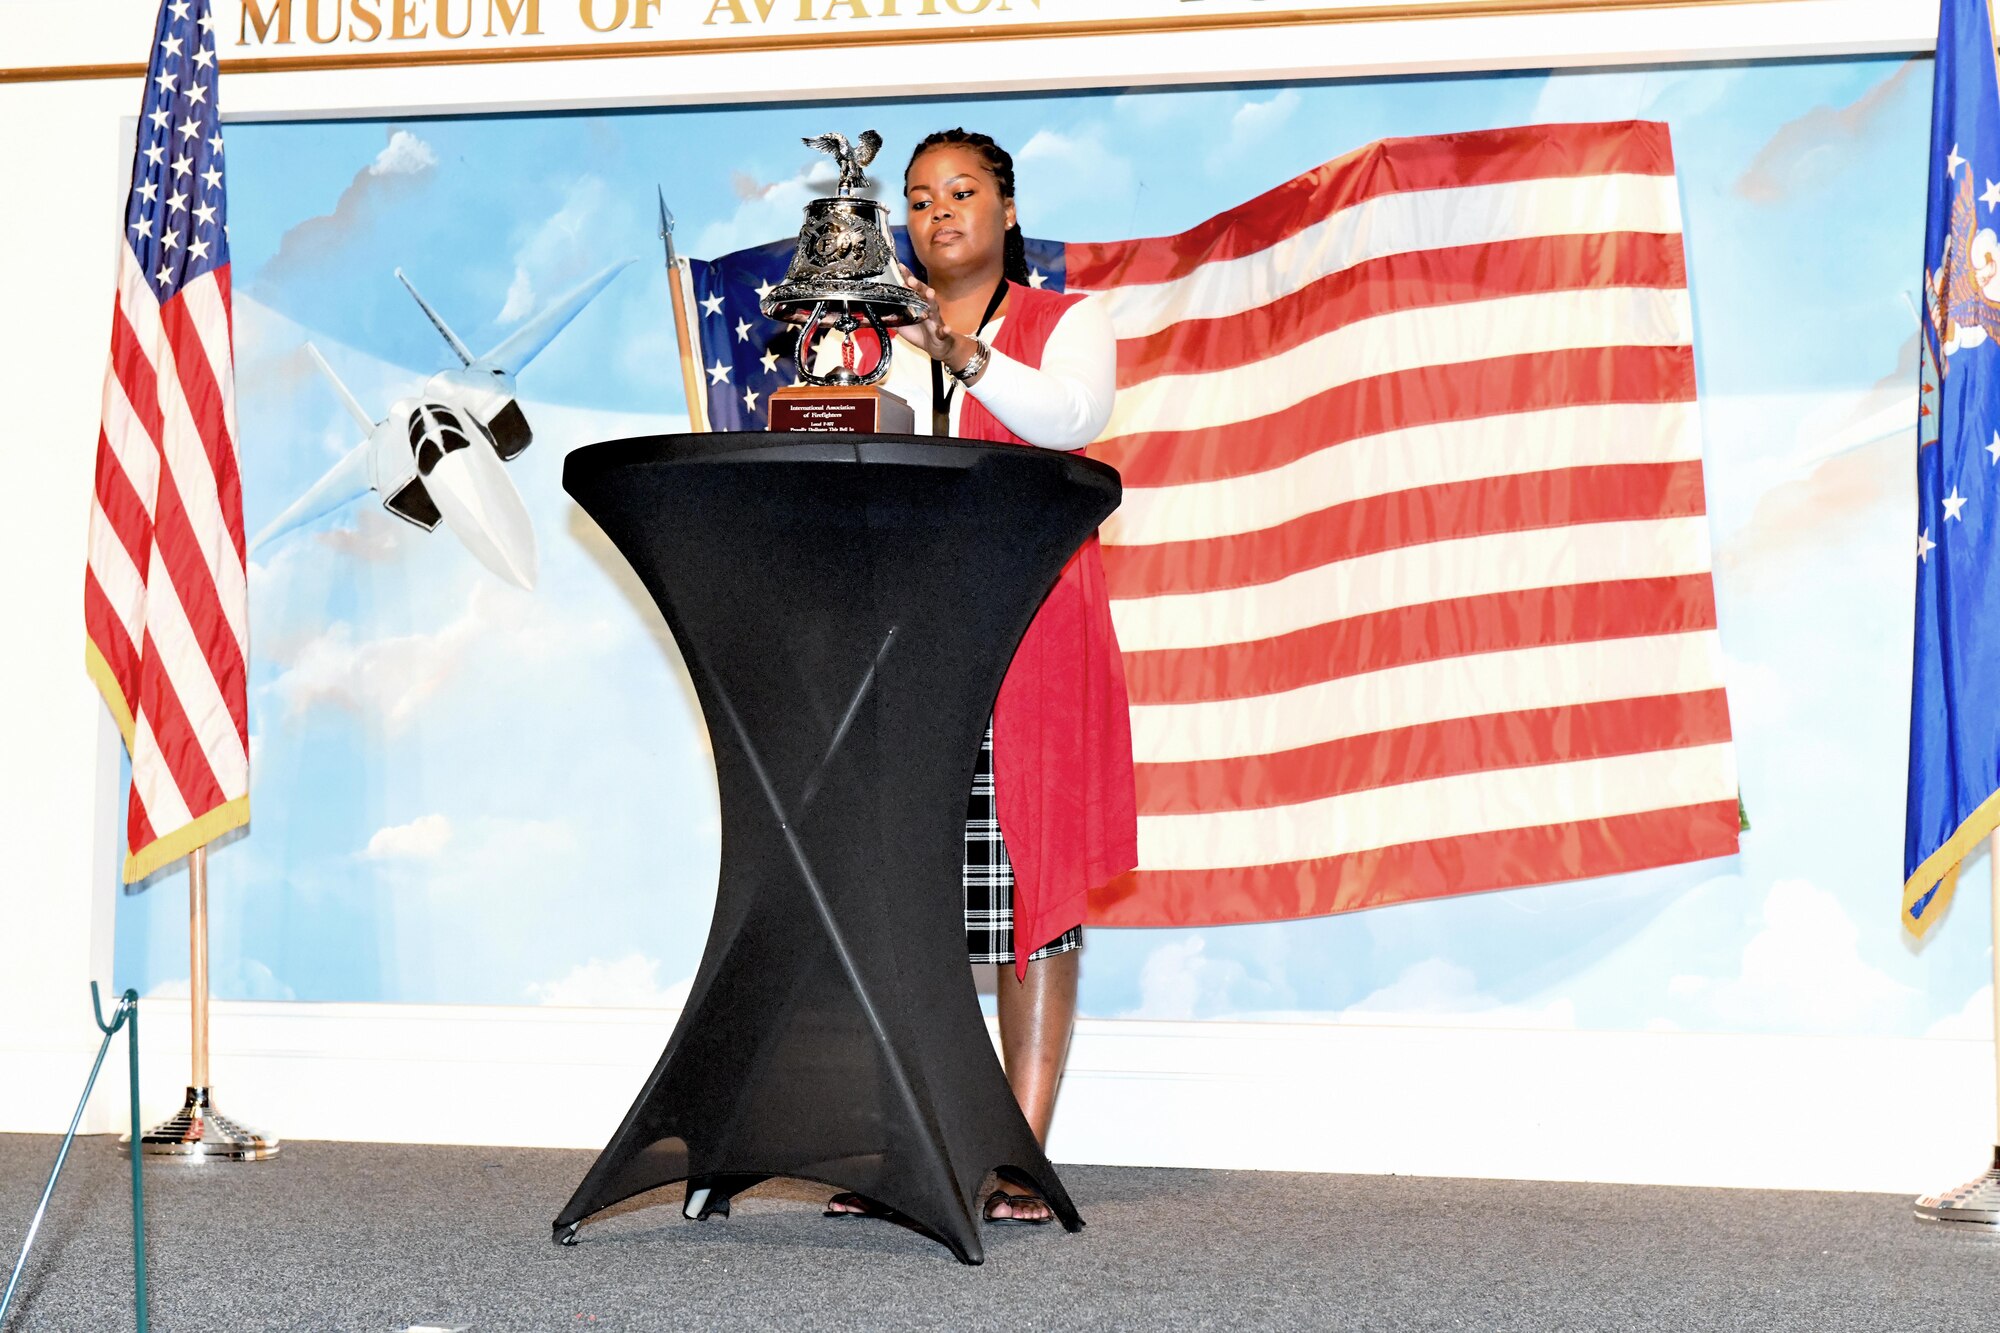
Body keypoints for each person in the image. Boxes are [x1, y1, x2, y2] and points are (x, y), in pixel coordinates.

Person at [822, 128, 1138, 1226]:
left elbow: (1073, 423)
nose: (936, 211)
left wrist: (962, 355)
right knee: (910, 896)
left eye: (961, 191)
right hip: (912, 642)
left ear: (1007, 210)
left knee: (1029, 896)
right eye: (916, 198)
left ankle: (1019, 1155)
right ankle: (915, 1146)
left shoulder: (1069, 322)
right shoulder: (882, 343)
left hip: (1031, 635)